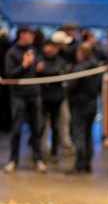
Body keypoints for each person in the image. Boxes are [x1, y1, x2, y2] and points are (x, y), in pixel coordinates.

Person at [3, 26, 47, 173]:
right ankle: (13, 160)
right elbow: (9, 74)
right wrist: (23, 65)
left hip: (34, 94)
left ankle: (38, 159)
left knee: (37, 128)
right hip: (19, 96)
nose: (31, 37)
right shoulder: (12, 53)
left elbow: (39, 71)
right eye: (29, 34)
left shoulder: (34, 51)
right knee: (16, 129)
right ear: (22, 35)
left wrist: (40, 68)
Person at [65, 42, 101, 175]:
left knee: (78, 135)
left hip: (80, 104)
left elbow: (71, 86)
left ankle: (78, 165)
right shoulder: (96, 67)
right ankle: (87, 165)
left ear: (81, 54)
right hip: (92, 104)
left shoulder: (79, 68)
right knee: (88, 135)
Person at [36, 39, 67, 160]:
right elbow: (38, 73)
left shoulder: (60, 61)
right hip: (43, 98)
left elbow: (63, 74)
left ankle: (54, 150)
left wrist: (45, 72)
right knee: (41, 125)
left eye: (54, 47)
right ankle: (38, 150)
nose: (53, 49)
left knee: (56, 126)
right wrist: (52, 73)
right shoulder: (39, 59)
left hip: (57, 98)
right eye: (50, 47)